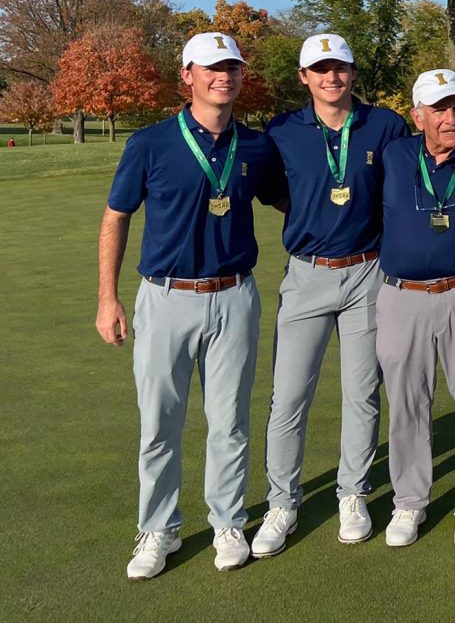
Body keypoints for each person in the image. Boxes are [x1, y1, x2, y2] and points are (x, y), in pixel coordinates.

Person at [96, 32, 286, 579]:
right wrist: (107, 298)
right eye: (211, 68)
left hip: (234, 296)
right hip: (165, 297)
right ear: (188, 75)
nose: (222, 76)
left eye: (231, 67)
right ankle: (158, 530)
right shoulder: (150, 143)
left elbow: (287, 201)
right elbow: (116, 216)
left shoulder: (254, 146)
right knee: (160, 423)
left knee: (229, 422)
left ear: (241, 76)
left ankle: (228, 519)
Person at [252, 34, 409, 556]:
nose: (331, 77)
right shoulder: (282, 130)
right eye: (320, 69)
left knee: (362, 393)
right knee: (289, 396)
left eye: (339, 67)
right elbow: (277, 192)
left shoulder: (384, 124)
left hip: (368, 272)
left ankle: (353, 493)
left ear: (352, 71)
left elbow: (406, 178)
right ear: (304, 77)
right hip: (306, 274)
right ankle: (282, 503)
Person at [373, 69, 455, 547]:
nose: (452, 117)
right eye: (441, 108)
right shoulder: (394, 155)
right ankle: (409, 503)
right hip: (402, 295)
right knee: (407, 404)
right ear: (417, 114)